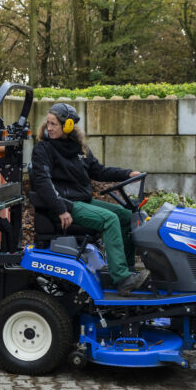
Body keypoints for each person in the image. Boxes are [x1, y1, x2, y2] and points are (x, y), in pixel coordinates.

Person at [31, 103, 150, 295]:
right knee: (109, 220)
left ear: (68, 126)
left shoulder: (79, 148)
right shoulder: (43, 150)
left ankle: (127, 272)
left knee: (126, 216)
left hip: (82, 202)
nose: (49, 128)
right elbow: (43, 183)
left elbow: (98, 171)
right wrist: (61, 209)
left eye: (54, 124)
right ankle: (121, 277)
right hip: (64, 206)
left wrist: (127, 174)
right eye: (48, 123)